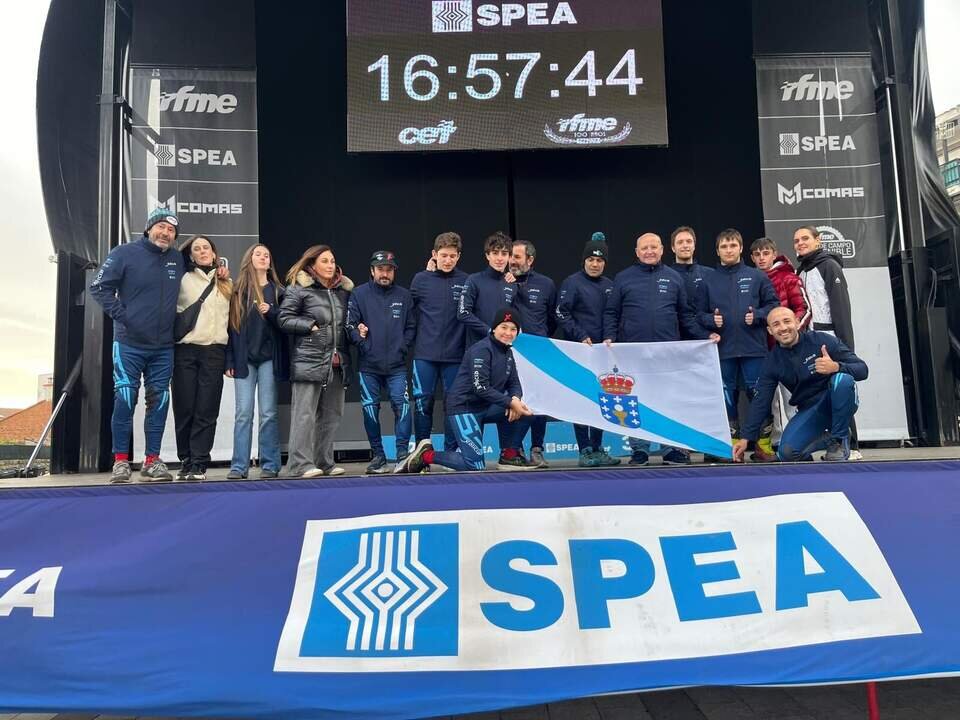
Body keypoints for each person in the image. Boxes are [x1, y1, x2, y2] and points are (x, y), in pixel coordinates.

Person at [604, 232, 718, 465]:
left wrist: (706, 335)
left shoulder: (674, 277)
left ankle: (671, 450)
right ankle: (639, 450)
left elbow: (685, 316)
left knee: (669, 401)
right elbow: (611, 312)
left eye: (653, 247)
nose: (649, 251)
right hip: (633, 353)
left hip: (668, 354)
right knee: (636, 400)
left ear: (662, 249)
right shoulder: (623, 278)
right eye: (644, 248)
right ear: (637, 252)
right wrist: (609, 336)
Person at [90, 208, 184, 483]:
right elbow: (99, 287)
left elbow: (201, 269)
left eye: (171, 231)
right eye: (161, 227)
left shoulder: (177, 259)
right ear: (148, 229)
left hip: (163, 346)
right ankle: (120, 460)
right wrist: (124, 316)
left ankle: (152, 460)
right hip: (129, 344)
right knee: (125, 399)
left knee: (158, 402)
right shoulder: (124, 253)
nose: (165, 233)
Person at [394, 308, 534, 473]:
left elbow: (514, 383)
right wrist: (510, 402)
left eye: (513, 329)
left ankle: (509, 456)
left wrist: (515, 399)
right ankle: (426, 455)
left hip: (485, 407)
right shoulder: (482, 350)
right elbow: (480, 387)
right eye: (504, 327)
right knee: (474, 465)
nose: (508, 333)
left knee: (528, 411)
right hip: (464, 408)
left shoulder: (508, 352)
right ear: (494, 328)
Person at [733, 307, 868, 462]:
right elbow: (761, 401)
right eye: (776, 324)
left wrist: (836, 367)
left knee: (842, 380)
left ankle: (839, 438)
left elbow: (863, 370)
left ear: (797, 323)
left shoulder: (822, 341)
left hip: (838, 399)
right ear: (770, 331)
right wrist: (745, 438)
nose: (783, 328)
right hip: (810, 409)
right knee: (787, 454)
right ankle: (830, 439)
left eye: (787, 321)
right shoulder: (772, 361)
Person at [697, 229, 780, 452]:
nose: (729, 250)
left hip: (754, 348)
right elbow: (697, 314)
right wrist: (710, 320)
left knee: (760, 396)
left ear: (741, 248)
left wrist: (760, 316)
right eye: (724, 246)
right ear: (717, 251)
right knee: (727, 398)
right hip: (723, 349)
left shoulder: (757, 276)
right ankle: (731, 448)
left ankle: (763, 447)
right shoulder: (708, 280)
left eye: (733, 245)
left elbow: (774, 305)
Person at [278, 245, 353, 478]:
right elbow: (284, 318)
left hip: (337, 362)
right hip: (309, 359)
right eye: (325, 261)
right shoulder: (299, 290)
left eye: (332, 261)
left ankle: (324, 461)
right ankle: (300, 464)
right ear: (312, 265)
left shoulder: (344, 291)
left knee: (332, 414)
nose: (330, 265)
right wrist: (308, 325)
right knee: (304, 414)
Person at [794, 225, 862, 459]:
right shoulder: (800, 270)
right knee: (815, 392)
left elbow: (841, 308)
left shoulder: (829, 266)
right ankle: (825, 441)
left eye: (805, 238)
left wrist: (845, 346)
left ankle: (850, 445)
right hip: (808, 340)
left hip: (830, 339)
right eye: (796, 240)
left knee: (839, 387)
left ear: (818, 240)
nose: (800, 243)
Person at [347, 250, 417, 473]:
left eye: (389, 270)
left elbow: (411, 327)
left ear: (394, 271)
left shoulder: (404, 296)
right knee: (370, 410)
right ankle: (378, 456)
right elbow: (350, 326)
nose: (384, 273)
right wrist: (363, 344)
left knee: (403, 407)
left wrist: (402, 347)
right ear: (372, 271)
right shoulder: (359, 294)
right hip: (369, 366)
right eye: (380, 269)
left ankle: (402, 455)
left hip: (396, 365)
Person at [171, 235, 232, 481]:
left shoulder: (227, 282)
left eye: (206, 247)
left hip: (215, 351)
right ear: (191, 255)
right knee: (185, 406)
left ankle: (199, 462)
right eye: (197, 248)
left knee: (207, 408)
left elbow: (235, 321)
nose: (202, 251)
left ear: (215, 253)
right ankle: (185, 457)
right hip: (186, 350)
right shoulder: (182, 279)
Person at [225, 243, 289, 480]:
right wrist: (229, 359)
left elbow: (286, 325)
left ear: (270, 262)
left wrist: (271, 312)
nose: (263, 257)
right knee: (243, 413)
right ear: (249, 259)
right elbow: (231, 328)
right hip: (244, 359)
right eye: (258, 254)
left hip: (269, 359)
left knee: (269, 413)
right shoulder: (238, 290)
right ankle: (239, 466)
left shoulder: (278, 291)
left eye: (266, 255)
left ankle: (270, 464)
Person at [555, 233, 620, 467]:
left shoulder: (611, 286)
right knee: (581, 401)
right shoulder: (572, 283)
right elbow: (561, 312)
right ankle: (584, 450)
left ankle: (598, 447)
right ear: (584, 260)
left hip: (603, 354)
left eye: (600, 260)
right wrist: (580, 335)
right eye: (591, 259)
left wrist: (610, 337)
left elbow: (613, 316)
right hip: (578, 353)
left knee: (601, 401)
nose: (595, 264)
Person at [748, 236, 811, 462]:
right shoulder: (751, 279)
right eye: (757, 254)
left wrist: (790, 337)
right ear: (752, 258)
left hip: (789, 350)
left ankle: (796, 444)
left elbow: (803, 309)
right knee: (770, 401)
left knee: (791, 399)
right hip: (763, 352)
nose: (762, 258)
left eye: (766, 253)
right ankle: (776, 444)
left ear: (774, 254)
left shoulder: (788, 277)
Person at [410, 232, 469, 454]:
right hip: (425, 354)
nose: (448, 260)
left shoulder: (466, 281)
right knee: (423, 404)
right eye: (443, 255)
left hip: (456, 355)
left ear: (458, 256)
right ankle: (422, 453)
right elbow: (407, 313)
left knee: (453, 405)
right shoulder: (421, 280)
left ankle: (450, 453)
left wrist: (508, 279)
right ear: (434, 254)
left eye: (452, 256)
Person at [510, 239, 557, 467]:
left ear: (530, 259)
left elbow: (552, 319)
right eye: (510, 256)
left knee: (540, 402)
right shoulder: (502, 281)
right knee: (515, 400)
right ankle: (513, 449)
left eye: (517, 257)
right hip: (510, 354)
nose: (512, 261)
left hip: (539, 354)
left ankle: (537, 449)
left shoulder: (546, 284)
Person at [458, 231, 517, 348]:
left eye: (504, 254)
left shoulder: (512, 284)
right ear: (487, 255)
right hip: (477, 348)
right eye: (495, 253)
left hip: (503, 349)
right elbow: (463, 313)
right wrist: (490, 331)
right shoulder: (474, 280)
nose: (500, 258)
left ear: (509, 257)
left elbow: (513, 318)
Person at [669, 226, 714, 335]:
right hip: (676, 339)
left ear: (694, 245)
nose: (685, 245)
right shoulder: (666, 276)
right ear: (673, 248)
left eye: (689, 241)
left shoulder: (711, 274)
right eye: (680, 242)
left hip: (707, 338)